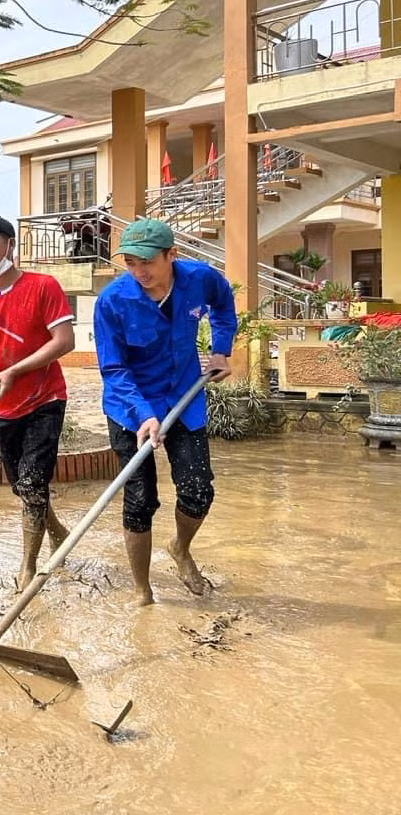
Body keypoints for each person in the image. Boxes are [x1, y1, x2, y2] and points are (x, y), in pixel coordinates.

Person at [94, 217, 235, 606]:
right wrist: (143, 414)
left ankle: (180, 547)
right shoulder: (113, 302)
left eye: (147, 261)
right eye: (130, 262)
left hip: (183, 398)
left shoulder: (200, 279)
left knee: (197, 490)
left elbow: (223, 305)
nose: (139, 271)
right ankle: (142, 591)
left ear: (171, 255)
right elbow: (114, 369)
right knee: (140, 501)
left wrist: (221, 349)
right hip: (130, 407)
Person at [0, 215, 75, 589]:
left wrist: (15, 370)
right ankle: (55, 528)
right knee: (22, 487)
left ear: (10, 244)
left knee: (33, 481)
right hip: (1, 404)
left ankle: (28, 567)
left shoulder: (43, 286)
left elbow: (64, 341)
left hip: (45, 398)